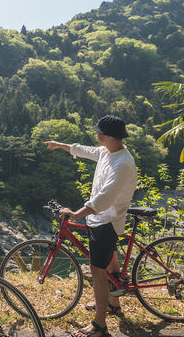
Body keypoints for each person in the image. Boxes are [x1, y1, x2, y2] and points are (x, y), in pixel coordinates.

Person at [44, 115, 137, 337]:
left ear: (106, 136)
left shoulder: (123, 164)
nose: (96, 135)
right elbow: (85, 150)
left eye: (99, 132)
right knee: (109, 263)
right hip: (100, 218)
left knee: (98, 272)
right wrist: (60, 145)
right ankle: (113, 303)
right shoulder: (107, 151)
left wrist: (76, 214)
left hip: (108, 221)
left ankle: (99, 325)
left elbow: (103, 199)